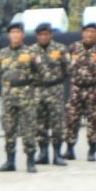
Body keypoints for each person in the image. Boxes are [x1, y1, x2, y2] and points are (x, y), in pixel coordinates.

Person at [0, 23, 39, 173]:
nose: (15, 35)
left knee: (28, 127)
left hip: (25, 94)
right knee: (9, 128)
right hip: (8, 95)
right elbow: (0, 71)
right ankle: (10, 161)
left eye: (17, 32)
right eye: (12, 33)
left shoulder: (30, 52)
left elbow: (38, 72)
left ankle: (30, 160)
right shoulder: (3, 53)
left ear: (22, 35)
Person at [64, 23, 96, 161]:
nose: (89, 35)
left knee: (94, 120)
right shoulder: (73, 48)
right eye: (87, 32)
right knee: (72, 119)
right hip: (76, 88)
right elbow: (65, 65)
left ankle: (92, 150)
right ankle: (70, 149)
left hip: (94, 89)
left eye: (93, 32)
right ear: (82, 33)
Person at [31, 23, 69, 166]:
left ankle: (57, 154)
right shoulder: (32, 51)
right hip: (38, 90)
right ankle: (43, 153)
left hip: (55, 89)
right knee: (40, 123)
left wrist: (57, 80)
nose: (43, 37)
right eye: (40, 35)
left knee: (57, 123)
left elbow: (67, 68)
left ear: (51, 35)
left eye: (46, 34)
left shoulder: (60, 49)